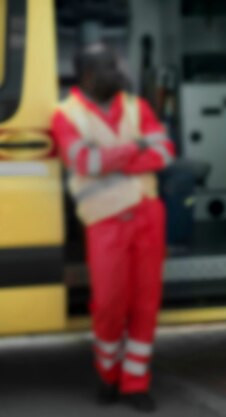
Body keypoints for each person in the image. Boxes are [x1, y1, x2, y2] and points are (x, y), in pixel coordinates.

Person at [51, 42, 175, 413]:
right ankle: (108, 374)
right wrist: (133, 150)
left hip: (147, 216)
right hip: (105, 222)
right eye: (108, 67)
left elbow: (164, 152)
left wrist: (115, 160)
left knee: (144, 304)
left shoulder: (136, 107)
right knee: (107, 305)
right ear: (87, 75)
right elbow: (84, 162)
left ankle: (135, 383)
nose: (117, 72)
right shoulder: (66, 114)